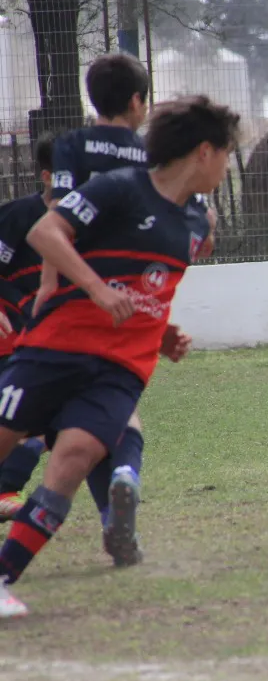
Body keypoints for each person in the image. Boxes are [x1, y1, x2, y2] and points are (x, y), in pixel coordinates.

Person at [0, 94, 237, 618]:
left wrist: (163, 331)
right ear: (204, 151)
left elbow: (147, 286)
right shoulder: (118, 188)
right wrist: (96, 289)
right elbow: (46, 233)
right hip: (55, 346)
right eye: (226, 153)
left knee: (73, 460)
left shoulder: (196, 223)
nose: (227, 164)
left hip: (121, 368)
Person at [0, 54, 184, 562]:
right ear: (136, 102)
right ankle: (120, 494)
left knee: (62, 422)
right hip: (123, 297)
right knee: (111, 418)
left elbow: (57, 216)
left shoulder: (72, 146)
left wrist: (49, 285)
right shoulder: (146, 156)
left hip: (68, 299)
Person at [0, 136, 59, 522]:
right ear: (47, 175)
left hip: (47, 337)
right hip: (11, 331)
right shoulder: (18, 216)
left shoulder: (89, 218)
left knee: (47, 420)